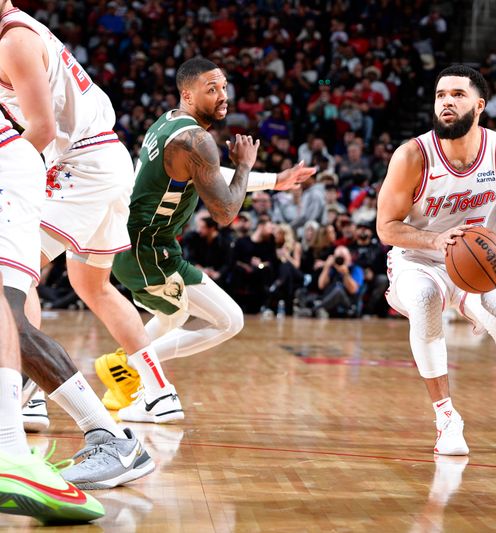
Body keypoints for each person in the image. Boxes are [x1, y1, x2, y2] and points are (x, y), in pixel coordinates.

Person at [377, 65, 496, 455]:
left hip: (475, 259)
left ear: (479, 105)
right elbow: (386, 228)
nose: (447, 101)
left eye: (457, 95)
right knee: (424, 300)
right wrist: (435, 240)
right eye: (440, 95)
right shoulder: (412, 156)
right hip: (418, 258)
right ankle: (446, 418)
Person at [104, 57, 315, 422]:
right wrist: (248, 164)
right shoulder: (195, 139)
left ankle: (126, 368)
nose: (223, 96)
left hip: (151, 245)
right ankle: (140, 385)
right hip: (145, 249)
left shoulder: (170, 123)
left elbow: (212, 176)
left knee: (192, 316)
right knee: (208, 317)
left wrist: (274, 179)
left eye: (224, 87)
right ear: (188, 94)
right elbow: (225, 211)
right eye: (211, 89)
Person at [0, 0, 155, 488]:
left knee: (10, 297)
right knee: (93, 287)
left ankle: (34, 406)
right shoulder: (16, 32)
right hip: (99, 160)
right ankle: (139, 403)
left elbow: (42, 131)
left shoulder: (13, 41)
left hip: (79, 166)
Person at [0, 112, 104, 521]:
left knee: (8, 308)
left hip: (12, 169)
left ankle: (9, 449)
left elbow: (42, 124)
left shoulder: (20, 45)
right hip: (23, 166)